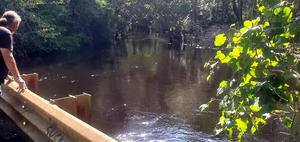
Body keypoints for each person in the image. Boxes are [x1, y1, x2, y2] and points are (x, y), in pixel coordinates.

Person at [0, 10, 27, 95]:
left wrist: (5, 75)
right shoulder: (5, 33)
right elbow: (8, 57)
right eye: (18, 24)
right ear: (15, 23)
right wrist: (18, 78)